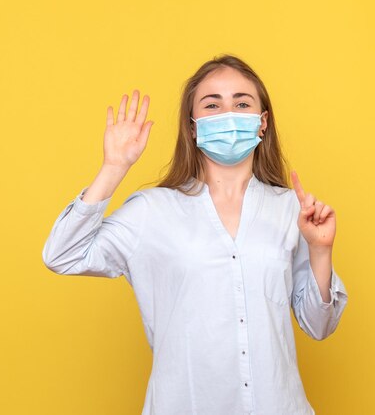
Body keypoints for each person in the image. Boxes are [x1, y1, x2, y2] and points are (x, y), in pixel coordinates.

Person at [42, 54, 348, 415]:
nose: (228, 113)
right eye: (212, 104)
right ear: (192, 126)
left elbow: (319, 325)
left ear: (262, 122)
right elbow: (62, 254)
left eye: (242, 102)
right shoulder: (152, 211)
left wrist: (320, 251)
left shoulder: (290, 210)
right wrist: (114, 167)